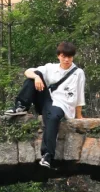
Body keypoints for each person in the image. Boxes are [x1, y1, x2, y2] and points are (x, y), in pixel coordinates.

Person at [5, 41, 85, 169]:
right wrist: (37, 78)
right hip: (46, 100)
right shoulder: (50, 68)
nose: (66, 59)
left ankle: (47, 154)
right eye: (64, 56)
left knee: (53, 118)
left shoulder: (78, 73)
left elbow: (80, 95)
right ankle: (21, 106)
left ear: (72, 57)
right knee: (35, 75)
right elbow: (27, 71)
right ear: (58, 56)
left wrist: (79, 115)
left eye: (69, 57)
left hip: (62, 105)